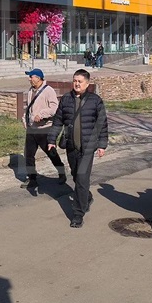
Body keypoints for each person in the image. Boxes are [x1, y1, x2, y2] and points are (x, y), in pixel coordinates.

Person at [48, 69, 108, 228]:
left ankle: (78, 214)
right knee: (76, 176)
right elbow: (58, 120)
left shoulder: (95, 101)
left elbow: (102, 124)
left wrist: (102, 144)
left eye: (80, 81)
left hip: (87, 147)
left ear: (87, 83)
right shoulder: (66, 99)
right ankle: (86, 196)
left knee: (81, 179)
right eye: (74, 80)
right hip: (71, 146)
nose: (76, 84)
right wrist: (52, 139)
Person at [21, 68, 67, 189]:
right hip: (31, 129)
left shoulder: (48, 91)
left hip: (44, 128)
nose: (29, 79)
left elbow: (54, 108)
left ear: (38, 78)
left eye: (31, 76)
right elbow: (29, 108)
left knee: (51, 153)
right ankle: (32, 179)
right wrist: (25, 119)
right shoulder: (30, 91)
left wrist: (41, 115)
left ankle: (61, 172)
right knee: (28, 155)